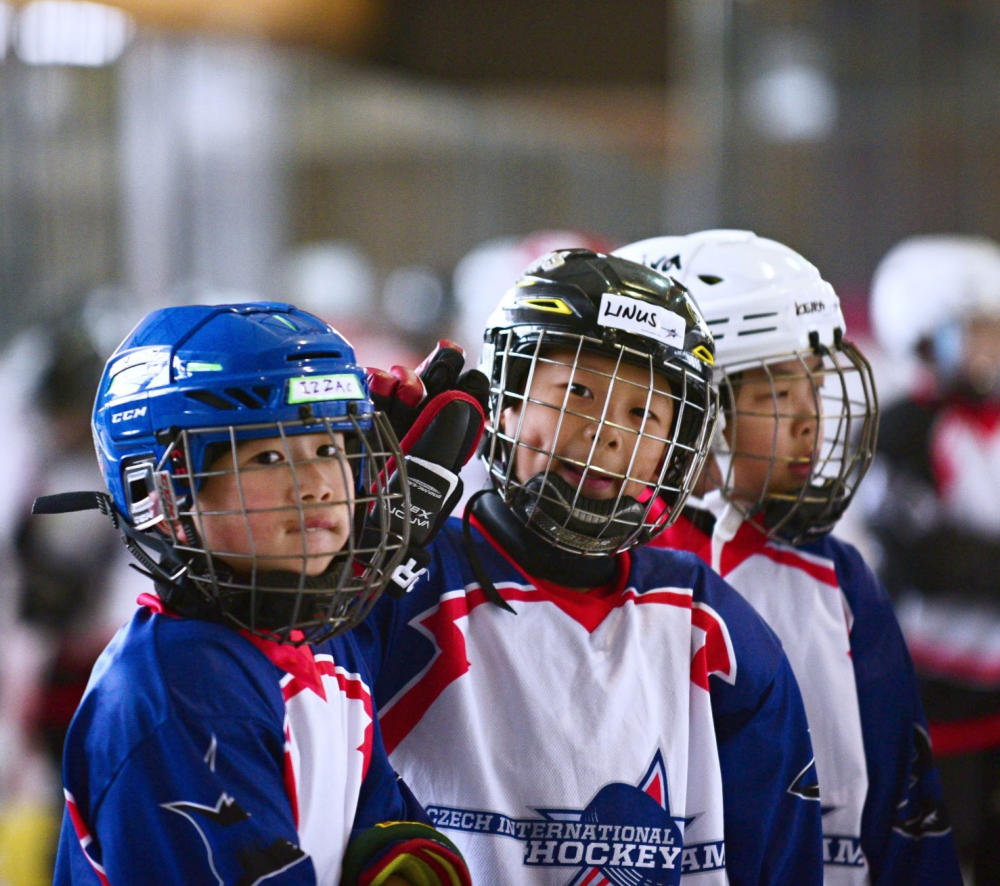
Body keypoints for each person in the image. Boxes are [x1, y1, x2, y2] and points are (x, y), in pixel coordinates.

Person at [360, 248, 825, 884]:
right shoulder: (411, 581)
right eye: (577, 392)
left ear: (674, 446)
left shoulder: (710, 624)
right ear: (508, 402)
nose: (609, 432)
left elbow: (777, 855)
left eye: (644, 413)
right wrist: (357, 554)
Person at [35, 302, 478, 885]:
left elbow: (394, 841)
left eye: (329, 448)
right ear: (160, 492)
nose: (319, 484)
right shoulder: (180, 691)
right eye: (269, 457)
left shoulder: (317, 643)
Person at [616, 229, 961, 883]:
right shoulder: (607, 571)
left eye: (815, 386)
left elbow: (903, 806)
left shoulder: (838, 578)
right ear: (690, 407)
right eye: (776, 394)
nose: (812, 419)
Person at [862, 233, 1000, 884]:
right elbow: (926, 555)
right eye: (976, 330)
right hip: (937, 698)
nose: (992, 346)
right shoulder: (904, 429)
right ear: (926, 337)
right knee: (940, 855)